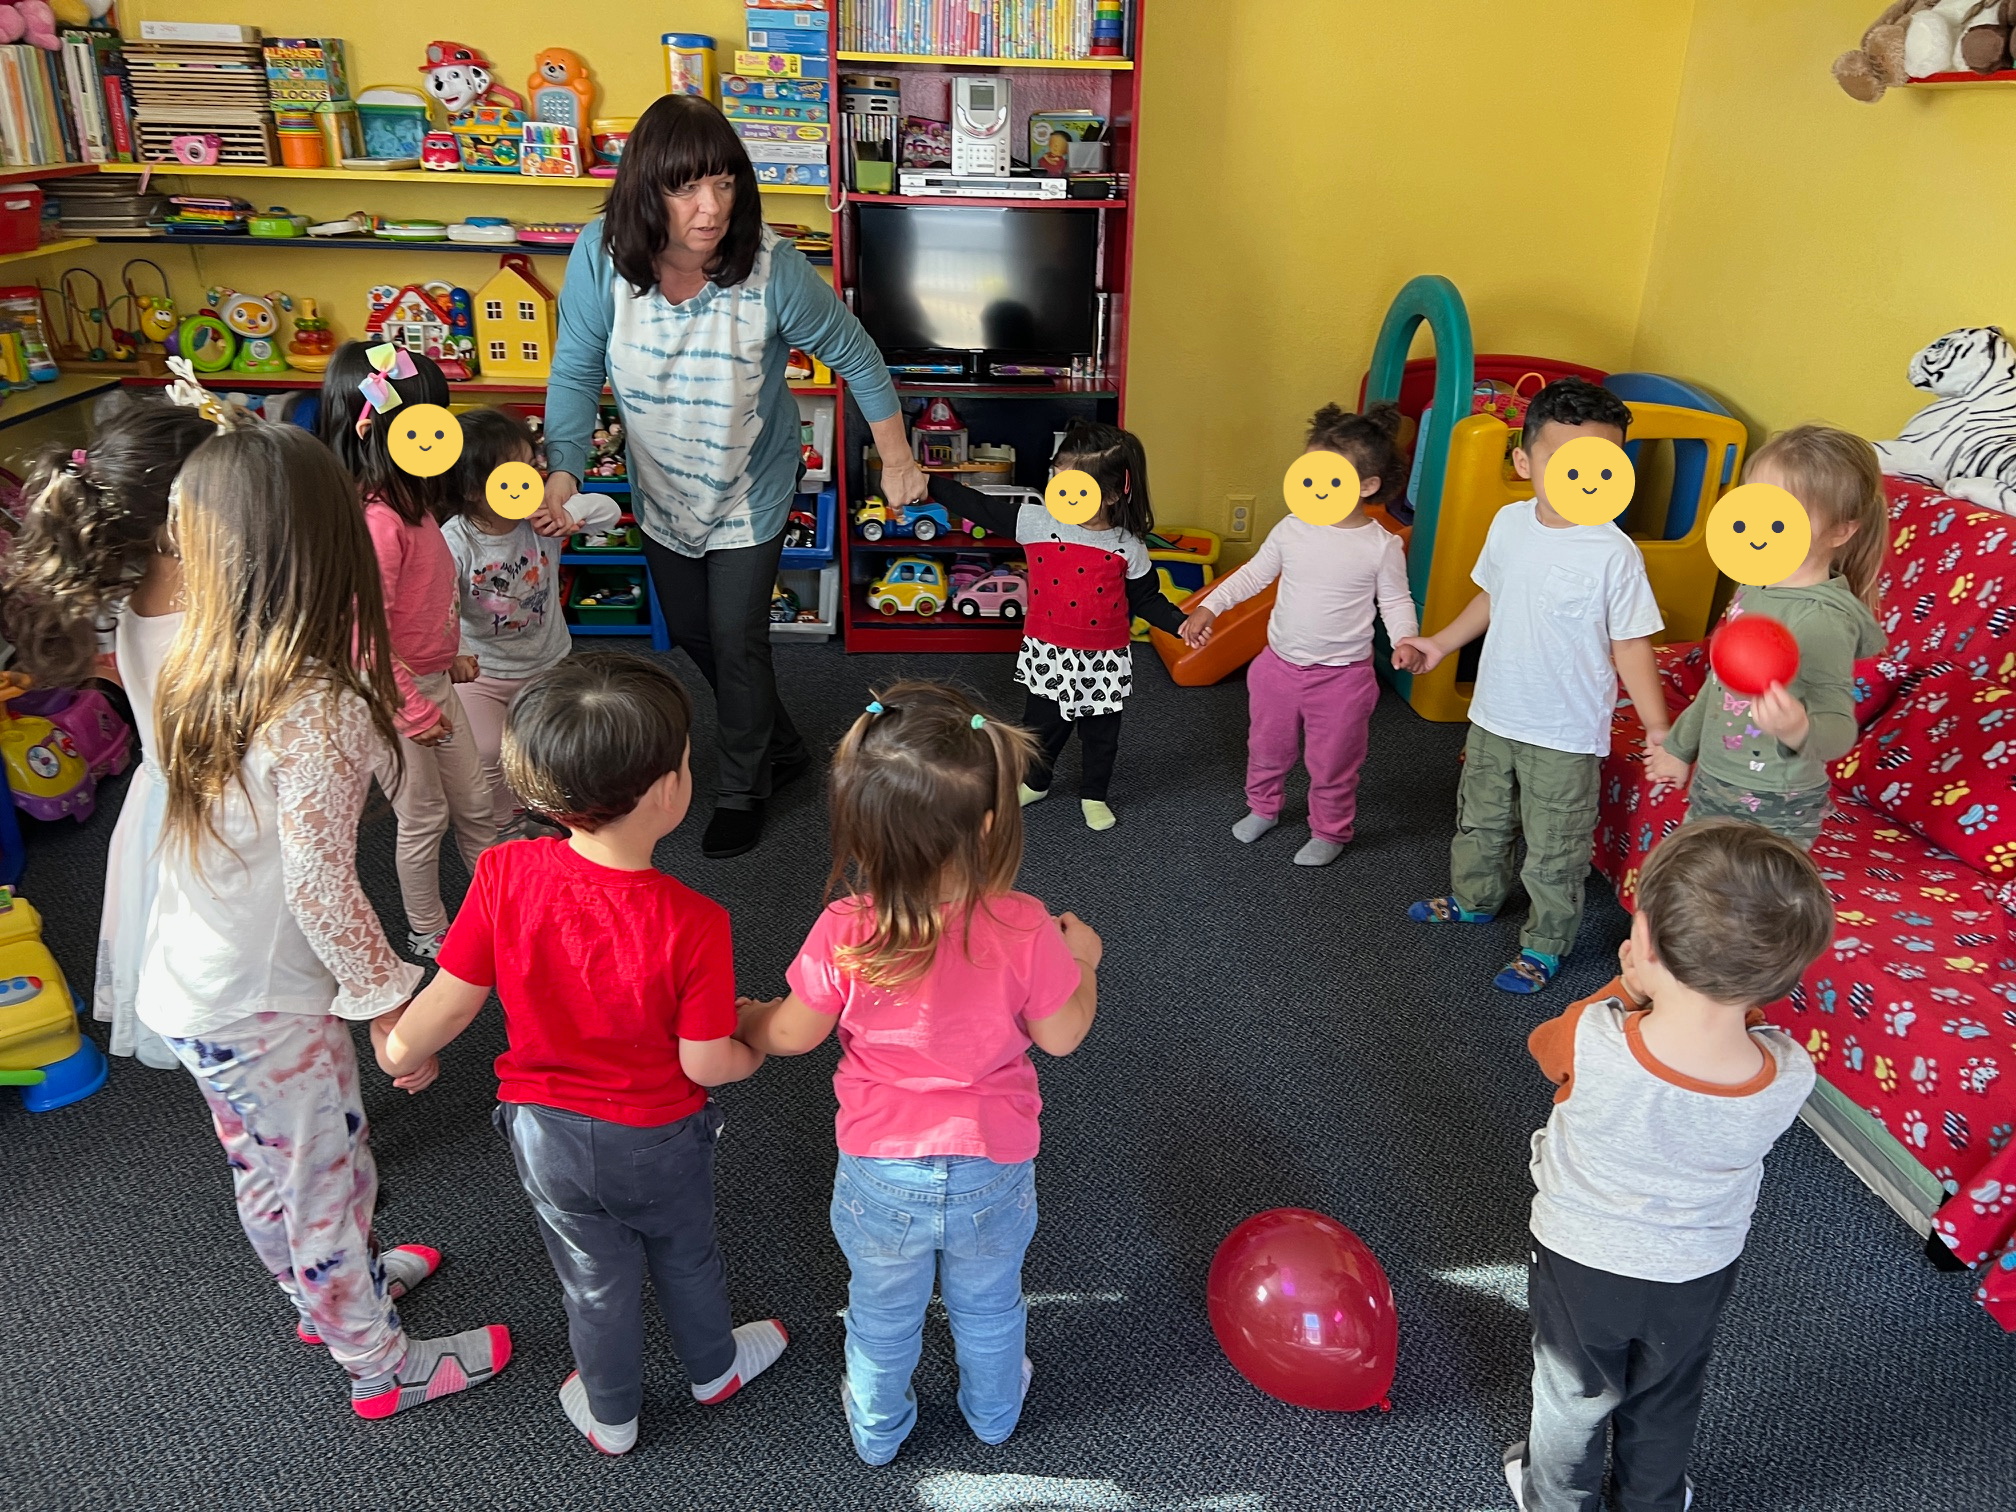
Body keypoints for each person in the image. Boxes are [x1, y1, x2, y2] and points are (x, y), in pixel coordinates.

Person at [136, 418, 508, 1419]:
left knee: (264, 1162)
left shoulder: (181, 649)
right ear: (333, 549)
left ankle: (322, 1298)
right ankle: (378, 1363)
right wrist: (392, 1005)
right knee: (327, 1177)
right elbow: (317, 885)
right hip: (267, 1004)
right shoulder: (320, 704)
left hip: (189, 983)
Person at [373, 653, 787, 1456]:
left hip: (546, 1138)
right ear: (670, 791)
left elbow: (451, 1001)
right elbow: (706, 1062)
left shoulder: (501, 873)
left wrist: (399, 1049)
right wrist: (752, 1051)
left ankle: (613, 1415)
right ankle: (712, 1368)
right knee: (687, 1251)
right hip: (660, 1138)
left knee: (593, 1282)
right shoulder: (695, 920)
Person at [542, 93, 929, 859]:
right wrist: (564, 470)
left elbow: (857, 355)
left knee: (737, 636)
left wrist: (898, 458)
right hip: (661, 482)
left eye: (724, 183)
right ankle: (780, 739)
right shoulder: (600, 254)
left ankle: (744, 784)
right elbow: (576, 370)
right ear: (646, 190)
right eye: (686, 188)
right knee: (691, 631)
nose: (711, 207)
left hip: (750, 480)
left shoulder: (771, 269)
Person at [737, 682, 1101, 1466]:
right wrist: (1086, 961)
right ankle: (996, 1414)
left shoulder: (846, 929)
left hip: (880, 1170)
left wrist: (744, 1016)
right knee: (992, 1303)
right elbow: (1063, 1035)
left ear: (861, 832)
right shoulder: (1028, 924)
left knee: (881, 1311)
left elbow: (792, 1035)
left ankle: (877, 1430)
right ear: (993, 822)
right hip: (992, 1164)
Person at [1504, 819, 1832, 1512]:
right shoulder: (1789, 1072)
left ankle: (1557, 1499)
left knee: (1574, 1393)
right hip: (1697, 1266)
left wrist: (1624, 991)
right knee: (1669, 1390)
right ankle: (1652, 1501)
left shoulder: (1599, 1036)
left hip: (1582, 1257)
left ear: (1643, 942)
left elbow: (1545, 1050)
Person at [1393, 378, 1670, 993]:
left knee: (1556, 847)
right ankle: (1475, 898)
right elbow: (1493, 595)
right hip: (1495, 715)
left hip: (1565, 735)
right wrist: (1438, 642)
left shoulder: (1614, 553)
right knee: (1481, 820)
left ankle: (1545, 943)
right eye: (1564, 462)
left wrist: (1657, 729)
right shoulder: (1509, 522)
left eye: (1602, 464)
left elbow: (1630, 644)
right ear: (1525, 462)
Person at [0, 398, 214, 1069]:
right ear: (185, 516)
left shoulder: (147, 598)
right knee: (225, 973)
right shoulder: (194, 623)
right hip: (204, 814)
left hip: (169, 802)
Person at [1180, 403, 1419, 865]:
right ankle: (1263, 807)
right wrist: (1211, 605)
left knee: (1333, 764)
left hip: (1343, 679)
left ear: (1367, 486)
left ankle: (1330, 831)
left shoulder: (1381, 546)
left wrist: (1406, 638)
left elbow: (1394, 600)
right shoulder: (1291, 529)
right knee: (1267, 748)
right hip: (1278, 668)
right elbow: (1253, 575)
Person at [922, 421, 1187, 831]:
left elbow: (1146, 598)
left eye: (1077, 485)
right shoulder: (1035, 523)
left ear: (1114, 492)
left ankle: (1094, 795)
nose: (1060, 492)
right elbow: (977, 505)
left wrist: (1180, 624)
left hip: (1103, 661)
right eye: (1057, 478)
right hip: (1050, 652)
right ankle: (1037, 782)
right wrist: (926, 481)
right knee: (1041, 729)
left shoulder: (1127, 545)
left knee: (1100, 738)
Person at [322, 343, 495, 957]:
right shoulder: (378, 521)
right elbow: (364, 636)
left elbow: (418, 603)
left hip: (431, 682)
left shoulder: (414, 506)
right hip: (394, 699)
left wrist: (448, 655)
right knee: (424, 818)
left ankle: (496, 910)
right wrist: (413, 709)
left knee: (476, 803)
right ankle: (429, 931)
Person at [1644, 426, 1887, 848]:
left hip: (1776, 802)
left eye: (1781, 517)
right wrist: (1681, 749)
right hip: (1716, 781)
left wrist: (1798, 728)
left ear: (1840, 532)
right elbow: (1719, 684)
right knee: (1692, 894)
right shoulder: (1753, 587)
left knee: (1751, 909)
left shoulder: (1823, 620)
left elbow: (1839, 730)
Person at [441, 406, 621, 838]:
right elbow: (439, 605)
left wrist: (566, 511)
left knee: (550, 747)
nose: (528, 479)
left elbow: (610, 512)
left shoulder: (541, 517)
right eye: (510, 473)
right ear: (470, 490)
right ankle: (506, 822)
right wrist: (452, 654)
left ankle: (553, 811)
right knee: (487, 752)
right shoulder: (456, 539)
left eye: (531, 466)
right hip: (482, 672)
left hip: (546, 663)